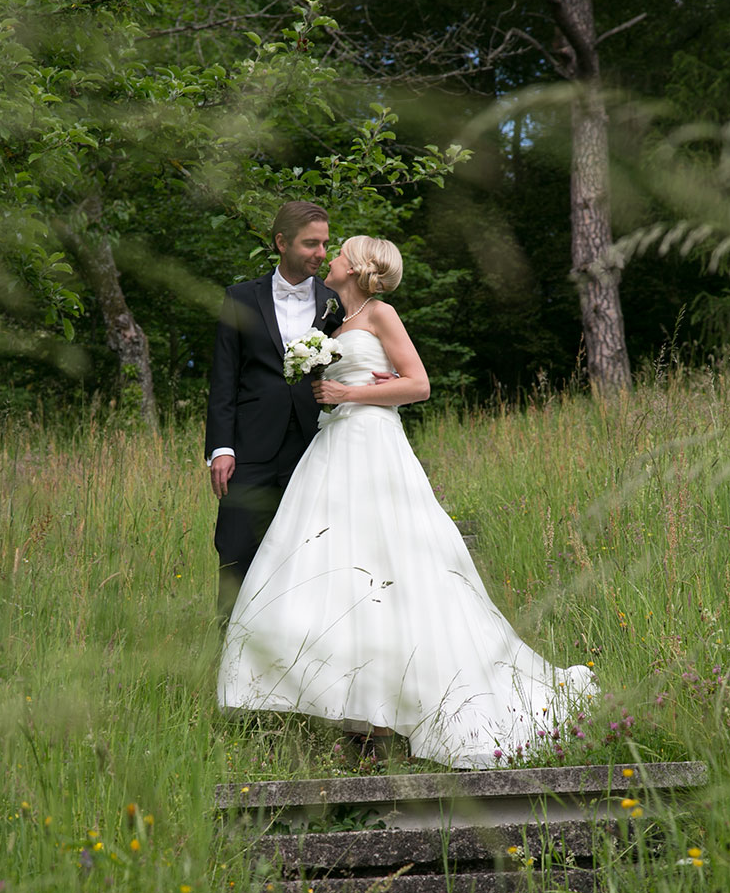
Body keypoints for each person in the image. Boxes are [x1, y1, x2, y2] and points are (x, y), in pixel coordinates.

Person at [217, 235, 596, 768]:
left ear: (358, 268)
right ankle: (358, 715)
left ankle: (391, 717)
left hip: (372, 445)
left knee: (388, 563)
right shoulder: (332, 322)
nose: (331, 259)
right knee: (332, 568)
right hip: (332, 446)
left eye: (340, 253)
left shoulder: (381, 314)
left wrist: (350, 393)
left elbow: (419, 385)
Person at [205, 201, 343, 616]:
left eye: (325, 243)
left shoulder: (334, 303)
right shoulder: (240, 297)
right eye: (311, 244)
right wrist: (221, 448)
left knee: (306, 549)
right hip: (250, 446)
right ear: (282, 243)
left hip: (314, 444)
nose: (321, 253)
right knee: (235, 546)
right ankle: (229, 642)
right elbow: (223, 378)